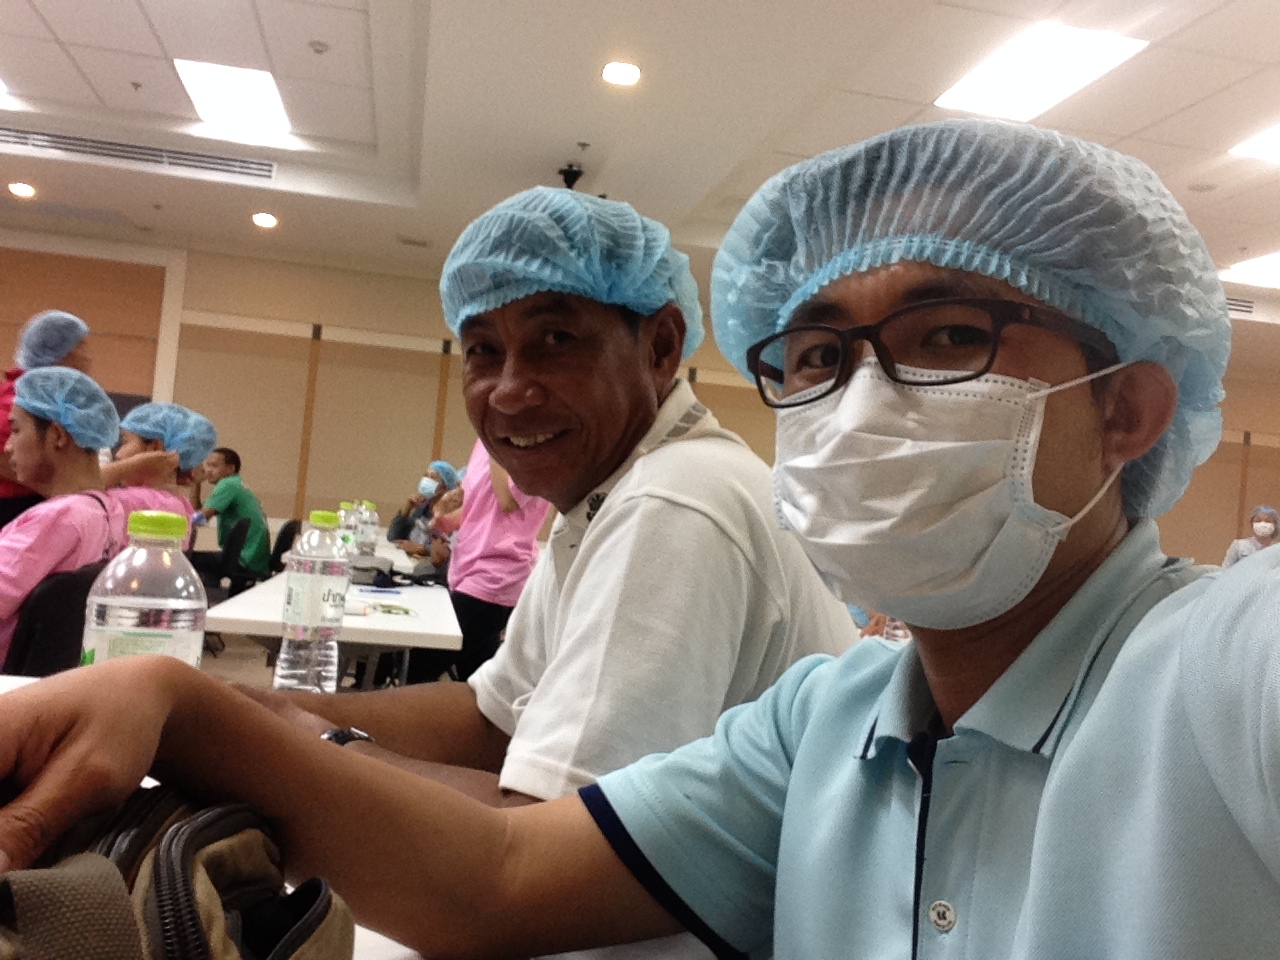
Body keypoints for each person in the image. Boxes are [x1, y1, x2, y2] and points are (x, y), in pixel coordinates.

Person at [0, 185, 854, 957]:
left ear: (661, 345)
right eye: (482, 350)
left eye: (555, 339)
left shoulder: (678, 500)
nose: (509, 389)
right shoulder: (606, 496)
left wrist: (239, 736)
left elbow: (527, 870)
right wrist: (279, 709)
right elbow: (493, 715)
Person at [0, 367, 124, 668]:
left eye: (16, 430)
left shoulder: (59, 519)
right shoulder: (110, 512)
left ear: (56, 435)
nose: (7, 446)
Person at [405, 438, 551, 682]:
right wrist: (447, 521)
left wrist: (495, 442)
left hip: (495, 575)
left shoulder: (533, 442)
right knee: (476, 680)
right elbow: (480, 502)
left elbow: (508, 500)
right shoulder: (485, 444)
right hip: (466, 569)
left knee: (420, 665)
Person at [0, 310, 91, 529]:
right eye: (80, 346)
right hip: (13, 510)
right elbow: (70, 483)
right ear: (60, 354)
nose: (88, 357)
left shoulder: (50, 401)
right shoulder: (19, 402)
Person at [106, 402, 218, 550]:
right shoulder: (181, 504)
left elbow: (79, 489)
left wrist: (131, 464)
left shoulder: (126, 502)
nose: (118, 454)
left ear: (155, 447)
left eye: (125, 442)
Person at [189, 447, 270, 582]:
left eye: (214, 466)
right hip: (254, 559)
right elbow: (198, 512)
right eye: (208, 465)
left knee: (186, 558)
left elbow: (199, 519)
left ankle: (206, 593)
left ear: (231, 469)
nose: (208, 470)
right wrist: (195, 483)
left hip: (243, 559)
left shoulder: (228, 485)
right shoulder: (236, 483)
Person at [387, 459, 459, 575]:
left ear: (445, 488)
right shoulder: (422, 509)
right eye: (425, 475)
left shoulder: (449, 516)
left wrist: (424, 549)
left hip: (429, 571)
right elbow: (393, 537)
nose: (426, 480)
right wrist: (408, 508)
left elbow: (449, 551)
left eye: (432, 478)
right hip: (408, 562)